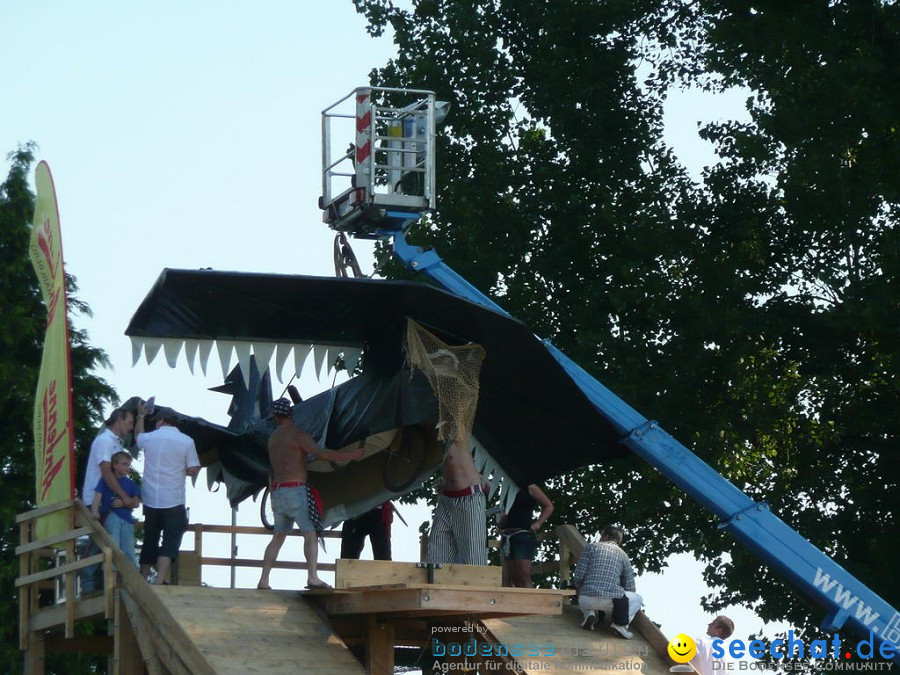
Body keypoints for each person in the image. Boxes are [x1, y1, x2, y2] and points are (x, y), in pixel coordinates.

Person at [257, 398, 365, 590]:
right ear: (291, 413)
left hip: (277, 492)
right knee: (310, 534)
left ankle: (264, 579)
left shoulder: (272, 439)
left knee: (278, 537)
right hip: (296, 491)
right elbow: (323, 454)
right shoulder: (297, 435)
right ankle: (312, 577)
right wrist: (351, 455)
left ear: (275, 416)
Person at [135, 402, 200, 585]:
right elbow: (193, 468)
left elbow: (138, 437)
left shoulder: (150, 438)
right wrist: (185, 471)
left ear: (161, 420)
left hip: (150, 499)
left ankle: (142, 579)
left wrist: (140, 417)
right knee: (170, 542)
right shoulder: (187, 441)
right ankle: (160, 581)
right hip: (173, 499)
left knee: (150, 539)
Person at [79, 407, 137, 594]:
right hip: (96, 498)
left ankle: (95, 585)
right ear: (119, 419)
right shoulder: (104, 441)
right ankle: (89, 585)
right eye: (129, 422)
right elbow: (106, 471)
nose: (131, 426)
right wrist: (124, 496)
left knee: (104, 542)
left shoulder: (117, 444)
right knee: (100, 541)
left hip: (110, 501)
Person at [573, 525, 643, 639]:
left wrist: (579, 586)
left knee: (587, 589)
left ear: (605, 536)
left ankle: (589, 613)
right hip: (610, 601)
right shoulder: (623, 555)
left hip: (585, 599)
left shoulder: (591, 547)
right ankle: (621, 625)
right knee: (638, 598)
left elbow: (579, 576)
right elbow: (630, 587)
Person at [427, 438, 488, 565]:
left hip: (469, 497)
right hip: (446, 499)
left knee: (473, 559)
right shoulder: (431, 427)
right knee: (437, 558)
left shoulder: (457, 424)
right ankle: (438, 584)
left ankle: (477, 584)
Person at [499, 483, 554, 588]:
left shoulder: (530, 487)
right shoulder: (507, 487)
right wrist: (502, 520)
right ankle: (521, 602)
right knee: (514, 576)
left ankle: (532, 602)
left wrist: (538, 523)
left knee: (523, 574)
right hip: (507, 535)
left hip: (522, 534)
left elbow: (549, 506)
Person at [91, 451, 141, 566]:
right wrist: (94, 511)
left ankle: (131, 579)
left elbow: (137, 503)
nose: (127, 467)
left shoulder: (131, 483)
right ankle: (111, 578)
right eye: (124, 464)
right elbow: (97, 496)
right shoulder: (105, 480)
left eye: (129, 465)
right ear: (114, 465)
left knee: (128, 549)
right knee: (113, 546)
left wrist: (124, 503)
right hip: (111, 515)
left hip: (127, 519)